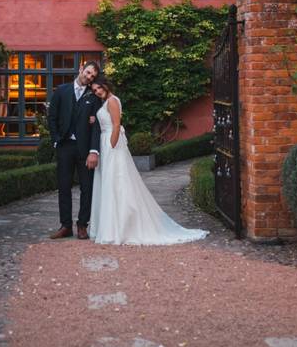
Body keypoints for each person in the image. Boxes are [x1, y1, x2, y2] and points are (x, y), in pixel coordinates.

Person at [88, 75, 208, 245]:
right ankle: (112, 225)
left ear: (105, 85)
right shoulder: (105, 102)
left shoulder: (113, 101)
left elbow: (116, 125)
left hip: (111, 144)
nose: (98, 91)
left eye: (99, 88)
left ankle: (120, 227)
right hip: (107, 142)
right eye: (95, 90)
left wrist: (111, 146)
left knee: (117, 182)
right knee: (111, 184)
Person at [46, 60, 102, 240]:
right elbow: (52, 117)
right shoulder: (61, 90)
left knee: (87, 187)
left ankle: (82, 225)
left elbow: (97, 126)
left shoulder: (93, 97)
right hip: (65, 146)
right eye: (87, 73)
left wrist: (94, 150)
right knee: (64, 186)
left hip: (85, 149)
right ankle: (66, 225)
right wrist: (55, 140)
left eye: (92, 76)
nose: (89, 77)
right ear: (81, 69)